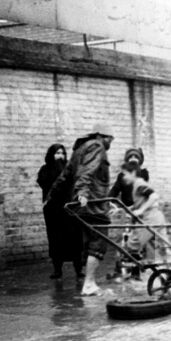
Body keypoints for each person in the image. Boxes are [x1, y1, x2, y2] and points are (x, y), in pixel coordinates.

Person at [50, 123, 115, 297]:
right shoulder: (97, 147)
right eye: (110, 138)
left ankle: (89, 282)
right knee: (98, 243)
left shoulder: (79, 150)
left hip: (85, 205)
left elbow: (65, 175)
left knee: (88, 242)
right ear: (102, 136)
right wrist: (83, 194)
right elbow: (87, 172)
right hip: (94, 203)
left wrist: (51, 195)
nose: (110, 143)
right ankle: (89, 284)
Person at [38, 143, 83, 281]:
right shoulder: (45, 170)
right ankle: (57, 270)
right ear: (51, 155)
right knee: (56, 239)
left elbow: (77, 183)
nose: (60, 156)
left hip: (69, 209)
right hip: (53, 211)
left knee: (74, 238)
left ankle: (78, 269)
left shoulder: (70, 169)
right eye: (57, 153)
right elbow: (46, 184)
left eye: (62, 153)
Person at [109, 148, 150, 280]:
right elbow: (113, 192)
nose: (133, 159)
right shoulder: (122, 177)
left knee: (137, 241)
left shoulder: (143, 174)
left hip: (139, 212)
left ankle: (136, 272)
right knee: (123, 241)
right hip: (127, 213)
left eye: (136, 157)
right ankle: (119, 270)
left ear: (140, 160)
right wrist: (112, 203)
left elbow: (145, 194)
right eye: (131, 157)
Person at [125, 176, 168, 266]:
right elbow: (140, 203)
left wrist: (141, 210)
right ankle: (167, 271)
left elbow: (154, 196)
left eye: (125, 174)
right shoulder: (136, 186)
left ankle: (134, 271)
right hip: (155, 217)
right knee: (158, 245)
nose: (124, 178)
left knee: (133, 243)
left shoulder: (139, 184)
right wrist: (124, 209)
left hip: (151, 218)